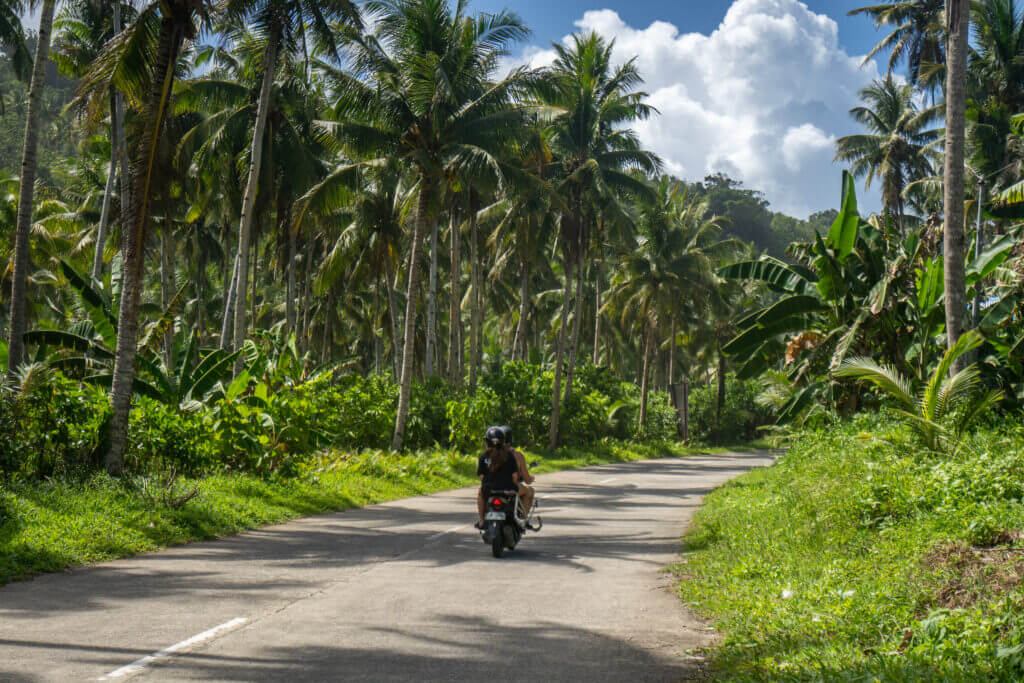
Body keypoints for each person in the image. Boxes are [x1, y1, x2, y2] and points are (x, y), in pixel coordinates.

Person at [475, 426, 534, 529]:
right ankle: (523, 519)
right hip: (509, 489)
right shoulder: (512, 456)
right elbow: (515, 476)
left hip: (489, 489)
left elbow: (481, 476)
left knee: (481, 492)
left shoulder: (484, 457)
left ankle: (481, 520)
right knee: (528, 492)